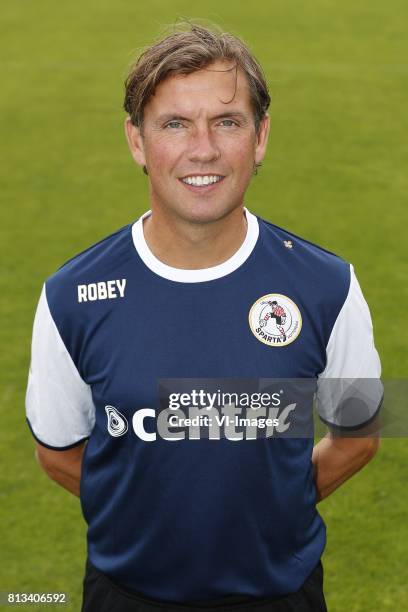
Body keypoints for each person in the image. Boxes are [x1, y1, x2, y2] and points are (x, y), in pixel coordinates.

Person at [25, 23, 383, 612]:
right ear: (137, 142)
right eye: (174, 124)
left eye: (227, 122)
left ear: (260, 136)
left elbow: (358, 437)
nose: (203, 150)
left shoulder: (328, 286)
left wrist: (271, 509)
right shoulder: (70, 295)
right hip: (127, 595)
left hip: (280, 596)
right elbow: (58, 452)